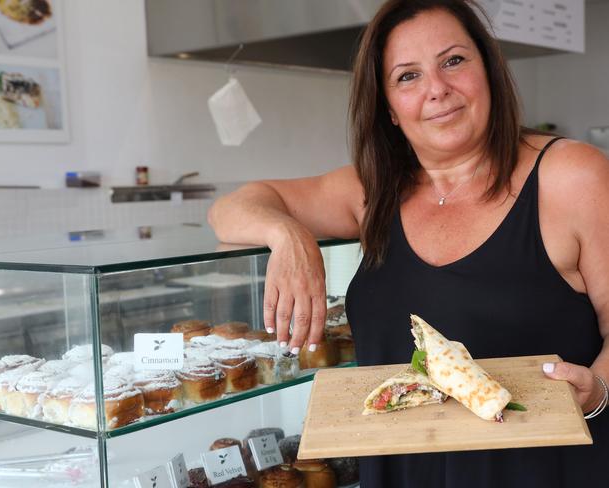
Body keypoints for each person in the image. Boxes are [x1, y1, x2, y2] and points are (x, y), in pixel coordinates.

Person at [208, 0, 609, 486]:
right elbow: (231, 210)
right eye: (407, 76)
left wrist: (600, 387)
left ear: (490, 71)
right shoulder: (372, 191)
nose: (437, 89)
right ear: (389, 109)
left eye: (453, 61)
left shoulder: (572, 176)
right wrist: (288, 235)